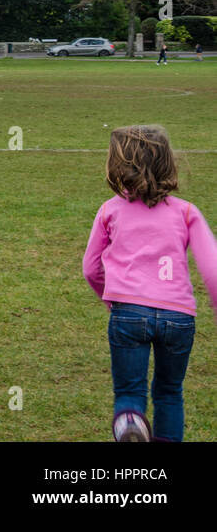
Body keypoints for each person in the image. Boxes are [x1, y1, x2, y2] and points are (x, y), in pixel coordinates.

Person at [82, 125, 217, 442]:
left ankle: (130, 422)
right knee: (170, 392)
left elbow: (90, 268)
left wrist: (109, 298)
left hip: (128, 314)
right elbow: (212, 268)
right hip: (179, 317)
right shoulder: (186, 212)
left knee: (129, 391)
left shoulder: (109, 210)